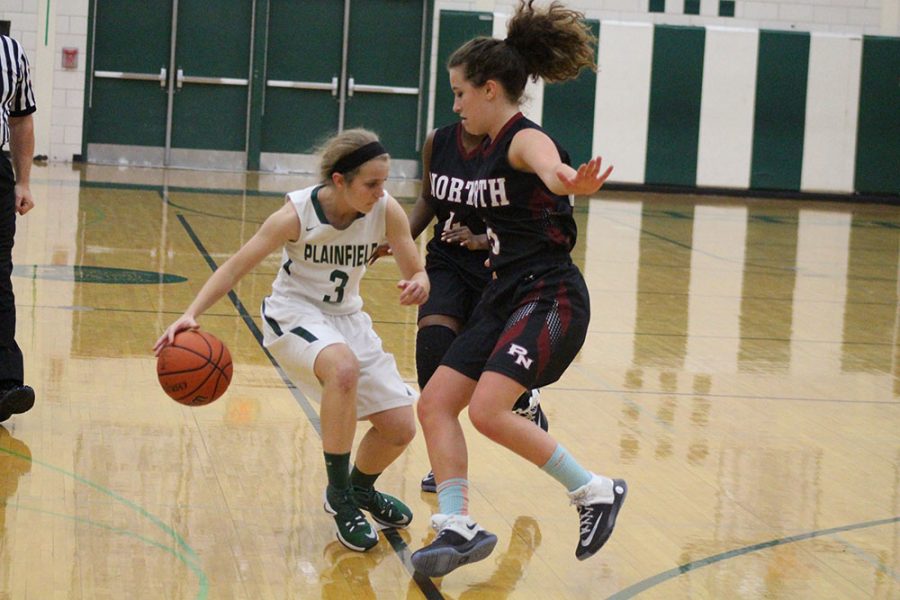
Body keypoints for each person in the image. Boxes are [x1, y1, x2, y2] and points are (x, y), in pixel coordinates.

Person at [410, 0, 626, 578]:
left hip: (549, 294)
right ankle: (456, 524)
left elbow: (548, 163)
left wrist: (568, 180)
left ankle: (594, 491)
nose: (454, 105)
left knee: (486, 412)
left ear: (488, 90)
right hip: (504, 292)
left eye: (459, 93)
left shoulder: (520, 139)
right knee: (433, 403)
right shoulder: (468, 146)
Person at [154, 129, 430, 552]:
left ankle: (359, 489)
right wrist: (191, 314)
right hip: (294, 312)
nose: (381, 192)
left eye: (384, 183)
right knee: (342, 368)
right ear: (339, 181)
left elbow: (414, 266)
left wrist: (420, 282)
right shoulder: (296, 215)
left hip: (347, 317)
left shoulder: (386, 210)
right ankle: (339, 497)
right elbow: (236, 265)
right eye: (371, 184)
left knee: (399, 428)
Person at [372, 121, 549, 495]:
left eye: (462, 92)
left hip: (495, 266)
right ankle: (443, 461)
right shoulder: (440, 140)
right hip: (445, 264)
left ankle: (523, 399)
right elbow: (429, 199)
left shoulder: (515, 147)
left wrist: (482, 239)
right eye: (454, 93)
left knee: (483, 362)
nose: (457, 104)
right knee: (433, 351)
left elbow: (529, 220)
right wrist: (398, 238)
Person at [0, 35, 37, 423]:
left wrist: (22, 181)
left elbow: (21, 117)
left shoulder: (11, 52)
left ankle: (5, 384)